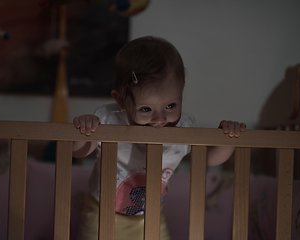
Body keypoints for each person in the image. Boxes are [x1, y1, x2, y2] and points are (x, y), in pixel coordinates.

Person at [73, 36, 246, 240]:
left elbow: (210, 158)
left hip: (151, 216)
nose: (160, 119)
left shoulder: (183, 129)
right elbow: (80, 151)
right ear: (121, 101)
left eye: (171, 106)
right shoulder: (108, 120)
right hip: (102, 213)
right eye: (146, 109)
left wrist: (228, 138)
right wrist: (84, 131)